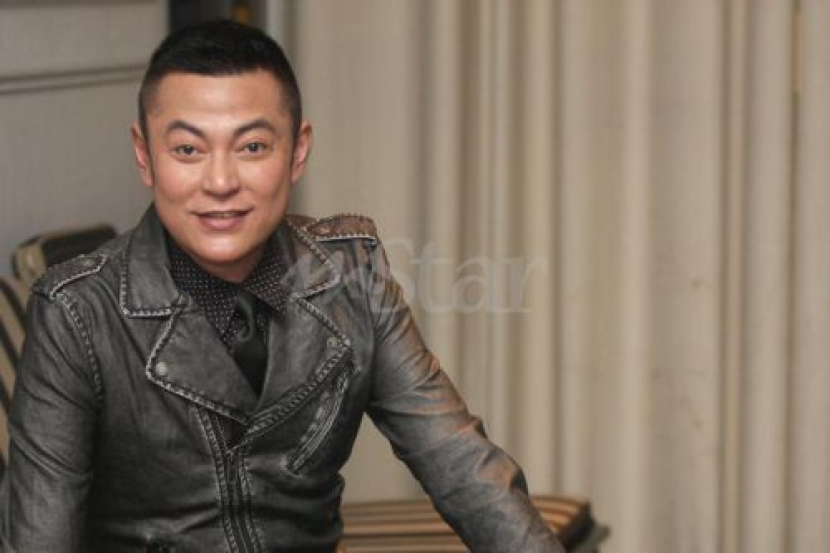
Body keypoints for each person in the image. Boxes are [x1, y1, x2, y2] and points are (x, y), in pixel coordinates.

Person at [4, 19, 564, 553]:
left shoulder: (352, 274)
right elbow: (40, 539)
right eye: (188, 149)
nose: (220, 181)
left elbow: (458, 462)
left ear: (297, 151)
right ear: (144, 156)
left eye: (252, 147)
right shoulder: (77, 311)